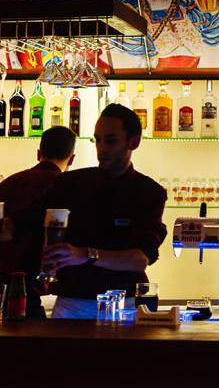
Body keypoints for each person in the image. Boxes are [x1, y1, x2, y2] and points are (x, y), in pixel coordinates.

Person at [42, 103, 167, 319]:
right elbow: (26, 221)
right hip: (72, 301)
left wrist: (85, 254)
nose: (101, 148)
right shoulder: (70, 183)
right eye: (97, 140)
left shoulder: (148, 192)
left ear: (134, 142)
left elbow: (140, 259)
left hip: (125, 304)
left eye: (110, 141)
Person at [0, 126, 76, 318]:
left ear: (38, 154)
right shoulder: (62, 189)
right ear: (72, 159)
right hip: (23, 294)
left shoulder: (10, 183)